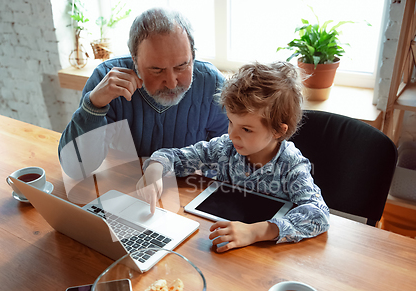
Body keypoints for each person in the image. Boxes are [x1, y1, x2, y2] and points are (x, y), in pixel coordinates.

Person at [136, 61, 330, 252]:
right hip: (220, 242)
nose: (232, 134)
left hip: (265, 255)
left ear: (278, 131)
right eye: (230, 122)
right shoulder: (225, 148)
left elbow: (318, 213)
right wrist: (155, 168)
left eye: (246, 129)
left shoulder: (291, 164)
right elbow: (175, 157)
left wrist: (256, 232)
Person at [58, 8, 228, 159]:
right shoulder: (105, 79)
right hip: (127, 186)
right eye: (157, 69)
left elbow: (231, 156)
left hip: (192, 188)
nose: (171, 83)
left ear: (193, 55)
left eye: (182, 66)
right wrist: (93, 106)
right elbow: (75, 167)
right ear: (134, 61)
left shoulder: (212, 84)